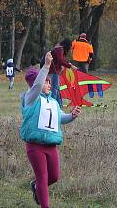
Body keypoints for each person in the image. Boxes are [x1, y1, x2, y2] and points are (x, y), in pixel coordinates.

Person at [21, 52, 81, 208]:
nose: (49, 85)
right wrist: (47, 66)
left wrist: (72, 116)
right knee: (42, 177)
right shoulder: (30, 98)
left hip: (51, 146)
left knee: (53, 177)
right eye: (46, 82)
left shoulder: (53, 102)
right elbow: (38, 85)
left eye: (49, 82)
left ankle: (35, 187)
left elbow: (61, 118)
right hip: (35, 147)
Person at [50, 38, 74, 106]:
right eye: (70, 46)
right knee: (55, 88)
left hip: (55, 70)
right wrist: (70, 66)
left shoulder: (59, 48)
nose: (70, 48)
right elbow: (60, 61)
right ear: (67, 45)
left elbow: (60, 60)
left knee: (57, 88)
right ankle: (52, 104)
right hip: (53, 71)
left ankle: (59, 104)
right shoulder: (59, 49)